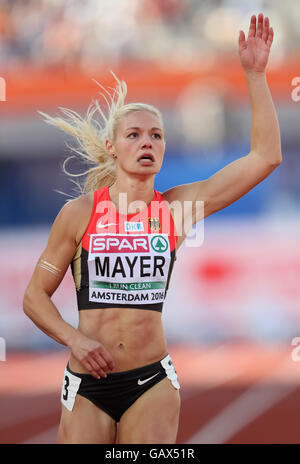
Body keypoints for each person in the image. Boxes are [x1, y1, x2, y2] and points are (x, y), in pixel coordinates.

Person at [23, 13, 281, 444]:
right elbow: (34, 296)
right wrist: (75, 341)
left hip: (152, 382)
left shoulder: (178, 209)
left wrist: (255, 76)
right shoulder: (79, 213)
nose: (147, 142)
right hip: (88, 381)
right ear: (112, 146)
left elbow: (265, 158)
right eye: (136, 134)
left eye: (157, 136)